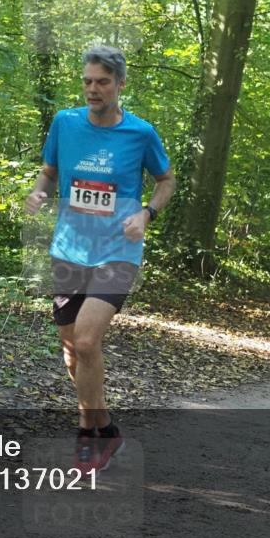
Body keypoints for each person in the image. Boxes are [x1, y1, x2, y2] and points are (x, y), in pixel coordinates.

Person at [24, 45, 176, 475]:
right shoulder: (64, 123)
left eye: (102, 82)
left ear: (120, 85)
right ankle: (104, 427)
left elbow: (166, 180)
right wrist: (39, 192)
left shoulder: (140, 133)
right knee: (73, 350)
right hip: (69, 249)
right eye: (88, 81)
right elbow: (50, 172)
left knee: (88, 341)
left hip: (117, 252)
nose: (93, 89)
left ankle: (87, 435)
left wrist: (147, 214)